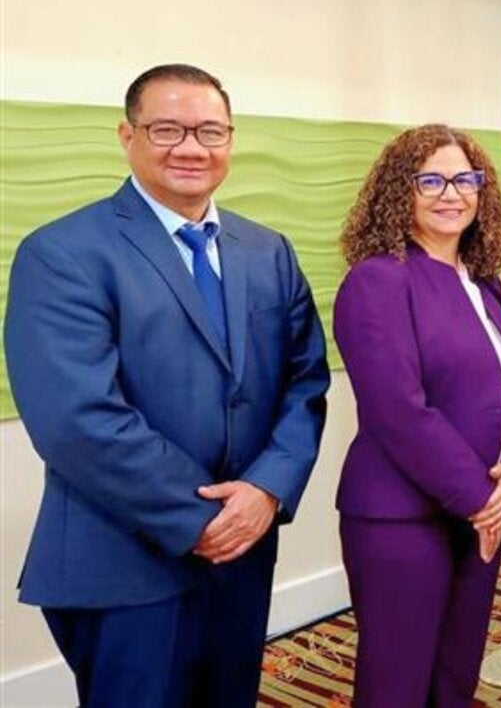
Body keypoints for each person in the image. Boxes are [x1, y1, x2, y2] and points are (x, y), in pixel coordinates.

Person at [4, 64, 330, 707]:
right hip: (125, 558)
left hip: (244, 549)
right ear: (127, 136)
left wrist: (265, 490)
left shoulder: (267, 250)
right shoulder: (64, 251)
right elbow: (78, 420)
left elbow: (305, 382)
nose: (191, 147)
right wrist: (203, 517)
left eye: (210, 130)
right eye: (167, 129)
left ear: (230, 140)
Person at [332, 124, 501, 706]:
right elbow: (399, 411)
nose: (452, 193)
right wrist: (482, 501)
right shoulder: (377, 280)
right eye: (432, 180)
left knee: (454, 677)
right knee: (397, 684)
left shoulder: (484, 281)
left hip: (476, 516)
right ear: (401, 191)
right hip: (402, 520)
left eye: (465, 179)